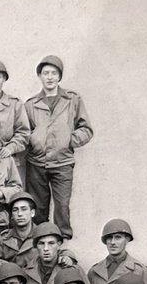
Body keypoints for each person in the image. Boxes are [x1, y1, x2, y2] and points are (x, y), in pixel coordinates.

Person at [22, 55, 94, 239]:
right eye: (45, 73)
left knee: (62, 206)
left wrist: (69, 140)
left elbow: (86, 129)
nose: (50, 77)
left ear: (59, 76)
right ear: (40, 76)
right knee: (38, 207)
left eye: (54, 73)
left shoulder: (72, 100)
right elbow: (24, 131)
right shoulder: (31, 104)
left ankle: (62, 247)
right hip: (37, 163)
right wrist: (35, 142)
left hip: (62, 163)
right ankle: (39, 243)